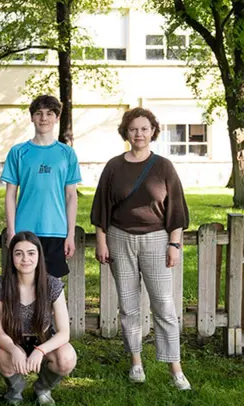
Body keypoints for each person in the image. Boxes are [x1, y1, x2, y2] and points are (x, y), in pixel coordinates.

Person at [90, 107, 191, 390]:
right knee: (129, 305)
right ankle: (136, 361)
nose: (139, 134)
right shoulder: (113, 166)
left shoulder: (164, 166)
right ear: (126, 132)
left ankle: (175, 367)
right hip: (120, 239)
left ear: (153, 132)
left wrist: (174, 244)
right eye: (134, 129)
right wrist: (101, 240)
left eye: (144, 129)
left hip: (157, 239)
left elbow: (176, 210)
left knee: (164, 305)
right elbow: (101, 208)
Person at [0, 232, 78, 406]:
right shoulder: (0, 285)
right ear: (12, 257)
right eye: (18, 253)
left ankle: (42, 388)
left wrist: (40, 350)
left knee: (67, 358)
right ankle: (15, 389)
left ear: (39, 256)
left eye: (31, 253)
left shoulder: (52, 285)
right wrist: (13, 349)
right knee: (0, 356)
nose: (25, 259)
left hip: (44, 339)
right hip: (13, 341)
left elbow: (64, 333)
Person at [1, 95, 81, 278]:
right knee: (24, 286)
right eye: (39, 113)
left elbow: (71, 196)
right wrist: (12, 231)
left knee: (52, 288)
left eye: (49, 113)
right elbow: (10, 195)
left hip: (56, 230)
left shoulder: (67, 153)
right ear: (32, 117)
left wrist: (70, 234)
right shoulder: (18, 152)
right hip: (25, 230)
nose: (44, 118)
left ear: (57, 118)